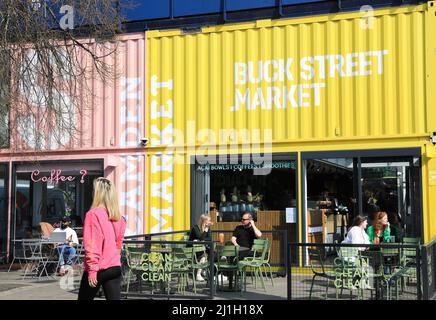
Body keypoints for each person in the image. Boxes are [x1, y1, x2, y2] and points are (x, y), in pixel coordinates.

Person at [78, 177, 126, 300]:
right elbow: (118, 245)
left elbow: (92, 244)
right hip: (115, 267)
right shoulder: (118, 217)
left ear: (97, 193)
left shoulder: (93, 214)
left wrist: (92, 270)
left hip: (99, 268)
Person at [188, 214, 213, 281]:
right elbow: (200, 237)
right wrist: (205, 230)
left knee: (212, 253)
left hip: (201, 248)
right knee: (204, 255)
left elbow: (210, 238)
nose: (210, 222)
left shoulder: (207, 228)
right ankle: (198, 274)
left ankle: (204, 270)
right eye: (209, 220)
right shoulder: (195, 228)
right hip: (192, 250)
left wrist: (203, 238)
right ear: (204, 221)